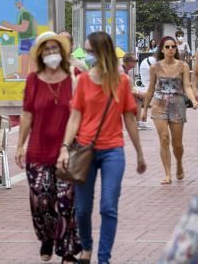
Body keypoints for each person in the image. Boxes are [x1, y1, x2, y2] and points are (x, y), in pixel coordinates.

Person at [57, 31, 146, 264]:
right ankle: (86, 247)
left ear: (102, 52)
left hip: (113, 151)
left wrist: (139, 153)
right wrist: (65, 147)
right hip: (85, 149)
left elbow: (129, 119)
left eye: (90, 51)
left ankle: (103, 258)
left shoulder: (122, 81)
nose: (88, 56)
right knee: (83, 209)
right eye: (86, 51)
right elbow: (75, 117)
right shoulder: (83, 80)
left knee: (108, 206)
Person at [15, 32, 80, 262]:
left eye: (55, 48)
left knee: (65, 202)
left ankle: (67, 250)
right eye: (46, 49)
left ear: (61, 52)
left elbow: (78, 114)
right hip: (38, 151)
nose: (51, 53)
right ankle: (47, 237)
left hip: (66, 151)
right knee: (41, 201)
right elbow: (27, 114)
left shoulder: (73, 77)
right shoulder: (33, 80)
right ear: (40, 53)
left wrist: (68, 146)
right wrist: (20, 145)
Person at [142, 36, 198, 184]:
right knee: (164, 139)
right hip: (159, 104)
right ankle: (167, 173)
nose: (170, 49)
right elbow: (150, 88)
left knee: (177, 144)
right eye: (167, 47)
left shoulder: (183, 66)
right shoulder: (155, 67)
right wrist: (144, 110)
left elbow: (187, 86)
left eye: (173, 46)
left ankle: (179, 163)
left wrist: (193, 99)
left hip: (177, 104)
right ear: (162, 49)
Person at [1, 0, 38, 79]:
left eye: (19, 3)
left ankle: (23, 75)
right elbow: (34, 25)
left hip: (27, 39)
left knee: (27, 58)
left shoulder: (25, 13)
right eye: (17, 3)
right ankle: (25, 75)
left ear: (22, 4)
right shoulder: (25, 13)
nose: (18, 4)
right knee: (30, 59)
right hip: (30, 39)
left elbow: (23, 28)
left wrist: (8, 25)